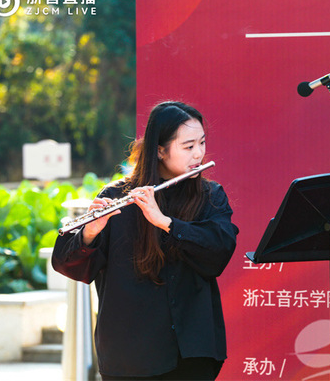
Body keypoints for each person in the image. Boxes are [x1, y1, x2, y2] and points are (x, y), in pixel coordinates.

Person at [53, 102, 239, 380]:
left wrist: (166, 222)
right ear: (160, 150)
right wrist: (89, 233)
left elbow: (219, 251)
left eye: (202, 143)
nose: (198, 153)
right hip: (130, 355)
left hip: (192, 353)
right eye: (188, 146)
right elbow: (70, 266)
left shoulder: (210, 196)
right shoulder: (117, 196)